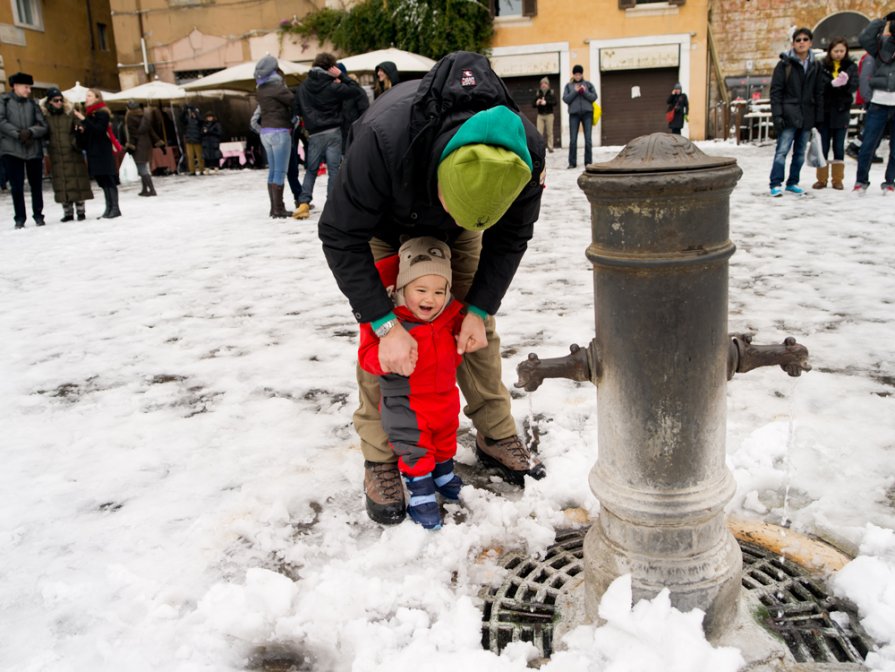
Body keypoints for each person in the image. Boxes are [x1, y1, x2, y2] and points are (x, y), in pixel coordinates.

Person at [318, 51, 547, 526]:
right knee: (382, 343)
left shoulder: (525, 155)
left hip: (462, 225)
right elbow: (340, 234)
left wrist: (480, 308)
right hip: (382, 220)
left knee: (472, 326)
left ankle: (494, 431)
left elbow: (511, 237)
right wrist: (383, 322)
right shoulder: (383, 141)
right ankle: (381, 455)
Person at [358, 237, 466, 529]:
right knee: (414, 449)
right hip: (407, 404)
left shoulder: (451, 316)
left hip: (444, 397)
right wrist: (383, 358)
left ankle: (443, 474)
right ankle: (421, 493)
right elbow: (366, 355)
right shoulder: (388, 322)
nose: (430, 299)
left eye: (438, 291)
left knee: (445, 439)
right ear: (402, 290)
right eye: (420, 290)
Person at [292, 52, 358, 220]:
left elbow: (297, 109)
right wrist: (342, 77)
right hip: (333, 131)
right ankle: (332, 205)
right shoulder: (333, 86)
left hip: (314, 134)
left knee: (311, 170)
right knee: (334, 169)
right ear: (331, 67)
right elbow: (355, 91)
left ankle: (303, 204)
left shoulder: (303, 87)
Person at [768, 27, 824, 197]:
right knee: (782, 151)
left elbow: (818, 92)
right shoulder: (785, 64)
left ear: (810, 43)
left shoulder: (815, 65)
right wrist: (777, 115)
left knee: (799, 153)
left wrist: (818, 116)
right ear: (793, 43)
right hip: (788, 114)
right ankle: (775, 183)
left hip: (807, 116)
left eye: (805, 39)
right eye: (798, 40)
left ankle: (793, 182)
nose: (801, 43)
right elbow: (776, 91)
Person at [854, 12, 895, 194]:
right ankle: (861, 180)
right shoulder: (882, 45)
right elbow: (865, 38)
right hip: (878, 102)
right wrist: (883, 20)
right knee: (868, 143)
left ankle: (890, 181)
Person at [0, 71, 48, 228]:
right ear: (16, 86)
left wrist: (31, 132)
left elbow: (43, 125)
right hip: (11, 150)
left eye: (29, 87)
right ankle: (19, 218)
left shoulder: (33, 104)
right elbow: (1, 121)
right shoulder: (4, 101)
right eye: (26, 87)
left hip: (33, 148)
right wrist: (18, 134)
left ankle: (38, 214)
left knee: (36, 184)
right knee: (17, 186)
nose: (29, 90)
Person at [41, 87, 93, 220]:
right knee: (61, 183)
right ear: (49, 102)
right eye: (55, 100)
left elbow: (80, 126)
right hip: (56, 153)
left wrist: (78, 134)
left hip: (73, 152)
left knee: (77, 180)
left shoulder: (70, 113)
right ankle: (68, 212)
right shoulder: (45, 117)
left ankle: (81, 211)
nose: (59, 102)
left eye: (60, 100)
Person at [813, 39, 858, 190]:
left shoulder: (850, 67)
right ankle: (821, 179)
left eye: (841, 51)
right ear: (830, 51)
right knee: (823, 146)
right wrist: (831, 84)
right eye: (835, 51)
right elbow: (818, 87)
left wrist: (844, 84)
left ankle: (837, 179)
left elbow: (854, 86)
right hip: (825, 112)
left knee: (839, 146)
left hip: (841, 111)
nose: (838, 54)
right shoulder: (822, 66)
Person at [253, 55, 294, 218]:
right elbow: (293, 100)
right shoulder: (278, 86)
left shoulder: (260, 88)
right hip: (279, 131)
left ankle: (273, 208)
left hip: (265, 133)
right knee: (280, 171)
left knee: (272, 170)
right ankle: (279, 209)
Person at [73, 89, 123, 219]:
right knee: (102, 180)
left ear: (97, 98)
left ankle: (115, 208)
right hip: (93, 151)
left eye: (89, 95)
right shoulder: (90, 114)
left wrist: (83, 119)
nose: (87, 98)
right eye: (86, 96)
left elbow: (99, 130)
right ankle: (109, 208)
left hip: (103, 151)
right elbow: (86, 137)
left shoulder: (102, 113)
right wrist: (80, 130)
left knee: (108, 179)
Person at [124, 100, 164, 197]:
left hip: (138, 146)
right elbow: (151, 131)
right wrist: (160, 143)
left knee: (141, 169)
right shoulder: (145, 116)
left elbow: (133, 135)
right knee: (143, 166)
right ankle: (144, 189)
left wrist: (130, 147)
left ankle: (152, 190)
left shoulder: (130, 117)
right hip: (147, 144)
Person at [562, 64, 597, 169]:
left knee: (588, 139)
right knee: (573, 140)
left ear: (582, 74)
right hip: (574, 115)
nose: (578, 76)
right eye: (576, 74)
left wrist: (584, 91)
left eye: (579, 74)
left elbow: (594, 97)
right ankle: (572, 163)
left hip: (587, 113)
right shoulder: (569, 86)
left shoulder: (588, 84)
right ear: (573, 75)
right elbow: (566, 99)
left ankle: (588, 162)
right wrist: (575, 91)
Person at [336, 62, 370, 153]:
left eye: (337, 77)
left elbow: (365, 112)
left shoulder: (356, 90)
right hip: (341, 138)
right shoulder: (335, 91)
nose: (335, 80)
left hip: (355, 135)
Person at [532, 77, 556, 152]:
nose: (543, 85)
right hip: (540, 115)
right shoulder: (538, 93)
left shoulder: (551, 92)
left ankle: (550, 147)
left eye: (545, 83)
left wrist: (546, 102)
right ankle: (540, 148)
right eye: (542, 83)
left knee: (549, 132)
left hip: (549, 115)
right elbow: (533, 104)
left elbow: (555, 102)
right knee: (539, 133)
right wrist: (537, 102)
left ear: (548, 85)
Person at [180, 105, 204, 175]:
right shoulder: (187, 120)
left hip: (197, 140)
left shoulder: (199, 121)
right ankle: (192, 171)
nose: (192, 114)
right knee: (190, 157)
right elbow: (181, 118)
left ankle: (201, 170)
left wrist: (195, 112)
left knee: (199, 156)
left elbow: (201, 120)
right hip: (189, 140)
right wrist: (184, 111)